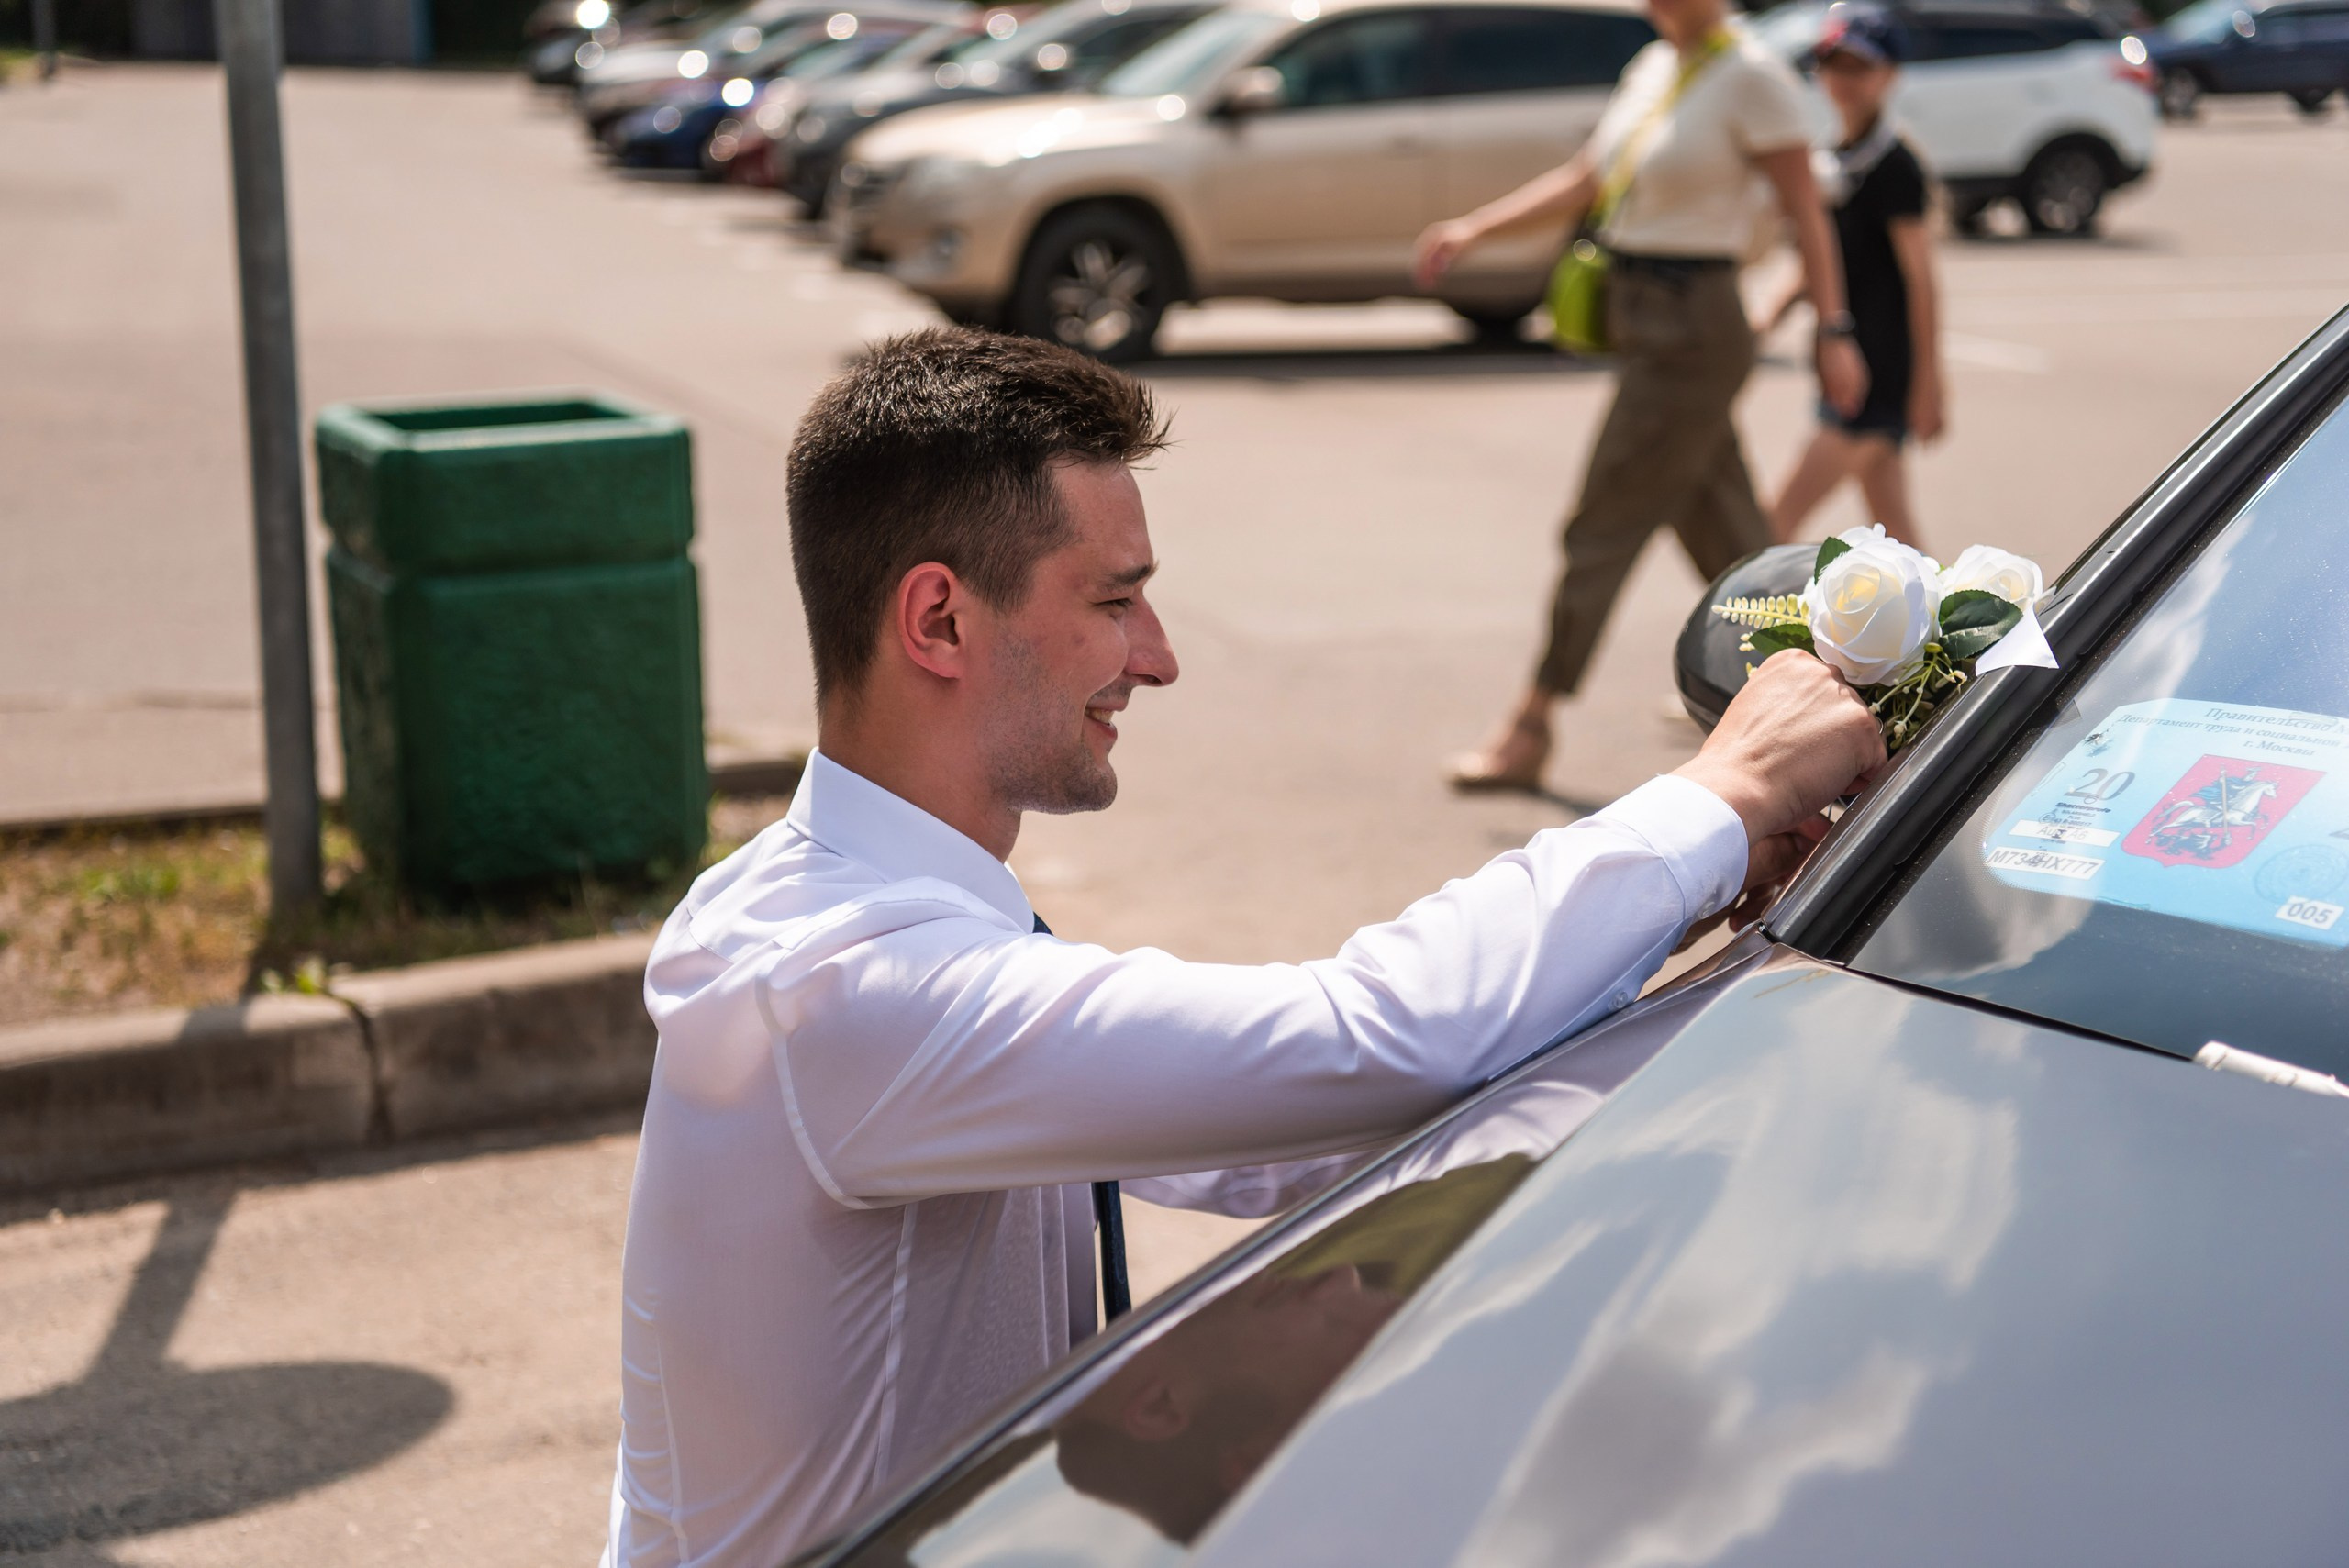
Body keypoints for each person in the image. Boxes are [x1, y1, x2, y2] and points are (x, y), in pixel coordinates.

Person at [599, 327, 1884, 1567]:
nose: (1157, 659)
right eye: (1115, 601)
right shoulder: (840, 987)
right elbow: (1368, 1037)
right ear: (938, 621)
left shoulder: (841, 913)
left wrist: (1688, 896)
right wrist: (1722, 791)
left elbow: (1281, 1139)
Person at [1415, 0, 1869, 795]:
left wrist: (1833, 328)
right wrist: (1475, 230)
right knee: (1733, 541)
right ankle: (1845, 692)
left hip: (1694, 328)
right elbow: (1589, 178)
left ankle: (1531, 722)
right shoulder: (1656, 64)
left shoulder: (1752, 76)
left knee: (1601, 523)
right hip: (1645, 317)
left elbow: (1807, 211)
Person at [1765, 6, 1943, 550]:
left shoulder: (1894, 166)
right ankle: (1955, 610)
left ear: (1889, 75)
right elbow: (1817, 266)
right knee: (1900, 539)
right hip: (1846, 367)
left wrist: (1929, 382)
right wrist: (1765, 317)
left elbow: (1922, 282)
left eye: (1859, 66)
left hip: (1874, 376)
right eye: (1832, 64)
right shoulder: (1835, 159)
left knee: (1771, 525)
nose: (1843, 79)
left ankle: (1745, 612)